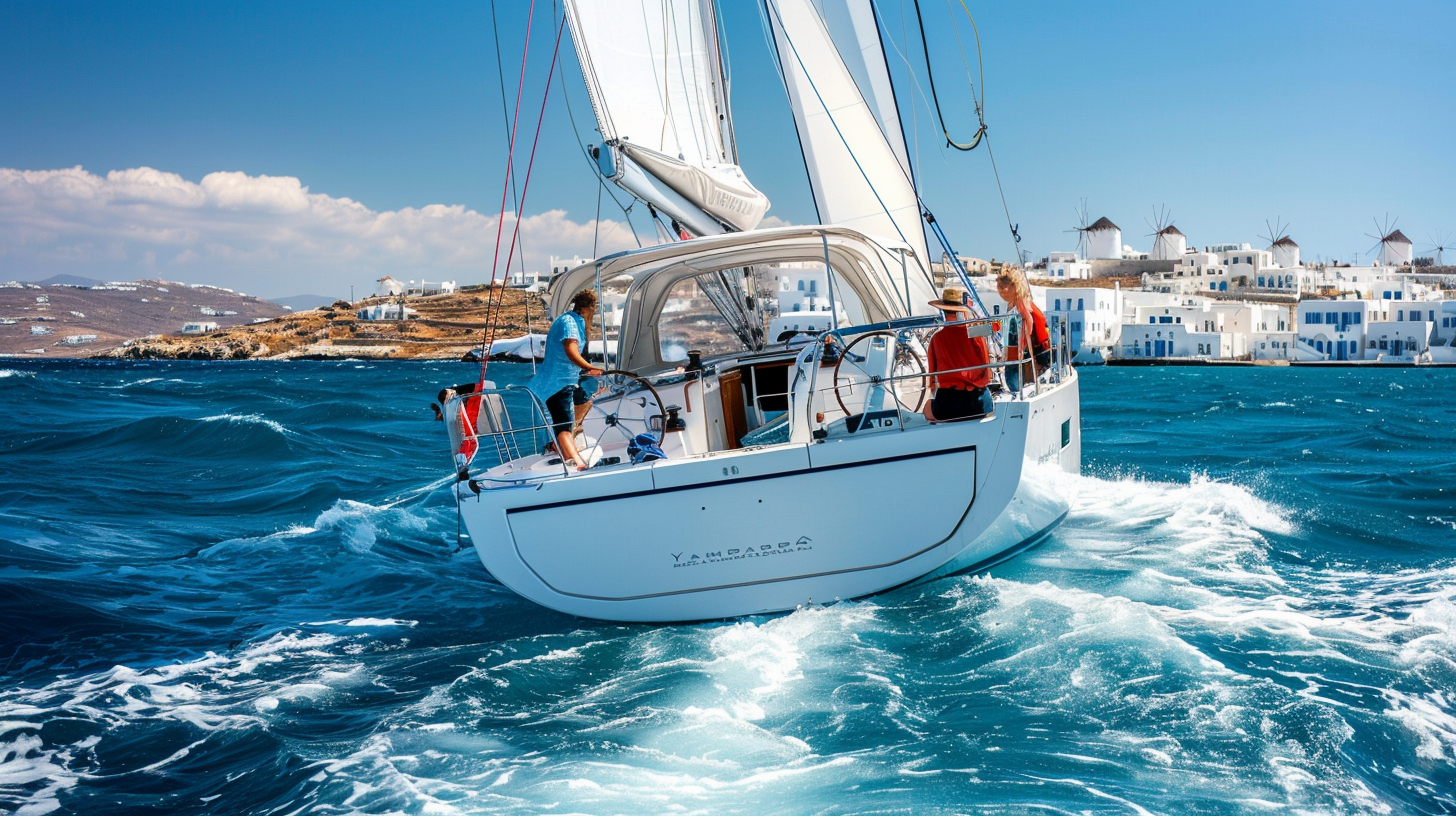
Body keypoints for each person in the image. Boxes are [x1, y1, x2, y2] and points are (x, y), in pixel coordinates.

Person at [526, 290, 604, 470]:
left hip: (569, 380)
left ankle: (558, 445)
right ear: (589, 307)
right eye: (595, 308)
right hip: (557, 383)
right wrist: (590, 368)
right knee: (564, 426)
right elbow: (571, 351)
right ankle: (576, 463)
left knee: (584, 402)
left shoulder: (575, 320)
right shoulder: (569, 322)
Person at [921, 286, 994, 423]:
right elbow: (986, 371)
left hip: (950, 404)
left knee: (926, 409)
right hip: (980, 403)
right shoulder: (976, 334)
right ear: (963, 312)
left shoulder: (937, 338)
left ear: (943, 311)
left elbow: (932, 379)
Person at [996, 269, 1051, 391]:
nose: (999, 290)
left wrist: (1024, 342)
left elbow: (1029, 320)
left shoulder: (1020, 301)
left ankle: (1017, 394)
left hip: (1017, 351)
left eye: (1001, 287)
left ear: (1011, 287)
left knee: (1012, 377)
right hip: (1014, 350)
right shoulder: (1015, 302)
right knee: (1012, 376)